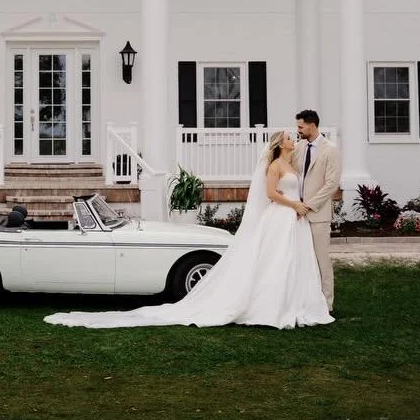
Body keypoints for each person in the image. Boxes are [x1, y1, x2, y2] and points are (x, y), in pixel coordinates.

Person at [44, 130, 333, 329]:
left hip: (292, 220)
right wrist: (294, 206)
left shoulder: (291, 164)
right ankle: (272, 306)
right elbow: (271, 194)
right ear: (279, 143)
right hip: (282, 216)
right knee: (275, 263)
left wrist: (300, 206)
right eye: (288, 137)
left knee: (293, 262)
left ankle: (297, 304)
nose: (293, 139)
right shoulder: (274, 166)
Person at [293, 109, 341, 313]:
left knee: (322, 260)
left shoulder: (330, 149)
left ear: (312, 125)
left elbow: (331, 184)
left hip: (317, 215)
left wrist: (309, 205)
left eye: (300, 126)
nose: (298, 130)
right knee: (302, 260)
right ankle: (306, 300)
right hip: (296, 213)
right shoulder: (298, 147)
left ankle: (327, 304)